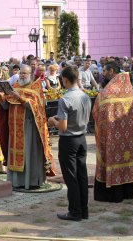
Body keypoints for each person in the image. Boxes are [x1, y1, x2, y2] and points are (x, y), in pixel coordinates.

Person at [93, 61, 133, 203]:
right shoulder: (128, 88)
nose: (103, 74)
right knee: (125, 158)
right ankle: (127, 193)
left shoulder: (107, 91)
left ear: (112, 71)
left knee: (112, 158)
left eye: (105, 71)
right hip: (127, 137)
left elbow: (96, 111)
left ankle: (112, 194)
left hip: (112, 136)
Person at [48, 66, 91, 221]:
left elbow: (63, 127)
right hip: (82, 138)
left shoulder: (65, 99)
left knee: (71, 177)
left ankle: (75, 211)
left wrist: (53, 121)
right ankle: (83, 210)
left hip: (69, 140)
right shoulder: (85, 96)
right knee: (82, 176)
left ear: (65, 80)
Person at [5, 65, 56, 189]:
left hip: (29, 126)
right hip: (14, 126)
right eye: (21, 73)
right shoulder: (15, 86)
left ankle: (31, 181)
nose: (22, 75)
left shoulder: (36, 87)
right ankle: (16, 181)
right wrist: (2, 96)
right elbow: (6, 107)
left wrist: (20, 98)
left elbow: (36, 107)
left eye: (25, 73)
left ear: (31, 74)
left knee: (29, 152)